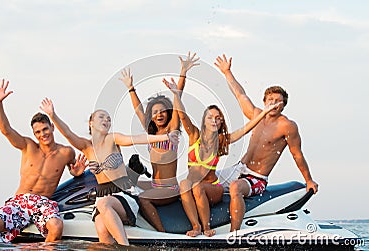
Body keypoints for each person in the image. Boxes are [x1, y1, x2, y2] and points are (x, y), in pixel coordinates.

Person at [39, 98, 178, 245]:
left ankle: (126, 247)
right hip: (101, 196)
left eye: (108, 118)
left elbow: (135, 139)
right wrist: (52, 115)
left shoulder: (113, 139)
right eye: (101, 117)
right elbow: (67, 133)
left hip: (123, 193)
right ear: (91, 123)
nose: (106, 120)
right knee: (102, 233)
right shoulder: (87, 147)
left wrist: (165, 137)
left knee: (104, 205)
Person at [163, 78, 281, 237]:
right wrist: (177, 95)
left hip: (213, 189)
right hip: (193, 186)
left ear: (221, 123)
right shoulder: (194, 135)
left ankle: (206, 227)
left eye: (218, 118)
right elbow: (183, 116)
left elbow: (245, 129)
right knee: (185, 184)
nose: (214, 120)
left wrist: (265, 112)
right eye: (210, 117)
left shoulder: (221, 141)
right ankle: (195, 226)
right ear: (204, 120)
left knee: (197, 187)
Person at [214, 54, 319, 232]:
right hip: (238, 169)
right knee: (202, 180)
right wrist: (227, 72)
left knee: (235, 188)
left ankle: (234, 233)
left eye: (278, 101)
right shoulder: (256, 115)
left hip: (257, 178)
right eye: (270, 100)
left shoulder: (287, 126)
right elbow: (240, 94)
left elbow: (297, 154)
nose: (274, 103)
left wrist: (308, 180)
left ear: (283, 105)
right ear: (264, 102)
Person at [0, 79, 87, 243]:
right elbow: (5, 130)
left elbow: (73, 169)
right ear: (34, 134)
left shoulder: (66, 152)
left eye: (45, 129)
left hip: (43, 202)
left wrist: (76, 173)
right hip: (20, 201)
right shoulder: (28, 146)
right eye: (38, 132)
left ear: (52, 128)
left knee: (56, 226)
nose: (43, 134)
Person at [119, 52, 199, 232]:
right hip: (155, 184)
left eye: (163, 111)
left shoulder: (172, 130)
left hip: (169, 187)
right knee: (125, 186)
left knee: (144, 199)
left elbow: (179, 100)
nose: (159, 114)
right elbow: (139, 110)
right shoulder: (151, 132)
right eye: (155, 112)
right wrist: (131, 88)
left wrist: (183, 73)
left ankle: (161, 232)